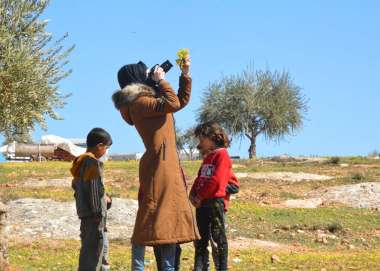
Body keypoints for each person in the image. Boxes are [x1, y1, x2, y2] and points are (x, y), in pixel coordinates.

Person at [112, 58, 199, 271]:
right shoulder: (140, 104)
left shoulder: (148, 101)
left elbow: (180, 101)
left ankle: (165, 267)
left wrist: (185, 75)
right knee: (152, 218)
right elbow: (173, 103)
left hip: (166, 165)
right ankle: (138, 267)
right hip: (159, 167)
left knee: (168, 220)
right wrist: (161, 81)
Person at [189, 121, 236, 271]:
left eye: (202, 139)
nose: (200, 142)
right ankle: (199, 267)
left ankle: (222, 268)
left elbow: (216, 181)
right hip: (202, 204)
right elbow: (200, 177)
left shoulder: (222, 156)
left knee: (218, 239)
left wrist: (200, 196)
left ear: (212, 137)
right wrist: (193, 193)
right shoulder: (208, 157)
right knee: (200, 239)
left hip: (214, 203)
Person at [70, 128, 113, 271]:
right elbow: (94, 190)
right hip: (94, 217)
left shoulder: (80, 162)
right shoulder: (92, 163)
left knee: (93, 250)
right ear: (99, 146)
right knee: (93, 255)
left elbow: (77, 187)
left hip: (84, 215)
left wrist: (105, 197)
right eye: (106, 148)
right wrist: (97, 213)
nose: (105, 151)